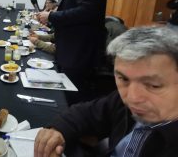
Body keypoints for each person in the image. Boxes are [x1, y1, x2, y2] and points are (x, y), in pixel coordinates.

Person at [34, 26, 178, 157]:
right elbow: (86, 113)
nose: (132, 98)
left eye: (153, 85)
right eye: (123, 79)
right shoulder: (122, 102)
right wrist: (57, 130)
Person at [38, 0, 108, 104]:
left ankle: (72, 129)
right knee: (65, 97)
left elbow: (87, 11)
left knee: (72, 100)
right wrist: (55, 11)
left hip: (79, 54)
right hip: (70, 50)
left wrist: (52, 16)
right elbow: (77, 8)